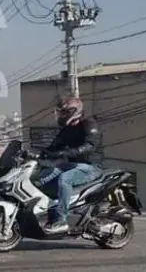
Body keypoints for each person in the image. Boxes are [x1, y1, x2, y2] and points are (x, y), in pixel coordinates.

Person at [39, 96, 102, 234]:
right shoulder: (67, 129)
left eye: (65, 112)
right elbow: (54, 146)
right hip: (72, 165)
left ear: (74, 111)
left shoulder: (89, 124)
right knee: (43, 176)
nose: (62, 115)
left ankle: (61, 220)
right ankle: (48, 215)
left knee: (65, 179)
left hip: (91, 167)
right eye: (61, 112)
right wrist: (39, 154)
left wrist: (66, 152)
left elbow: (90, 146)